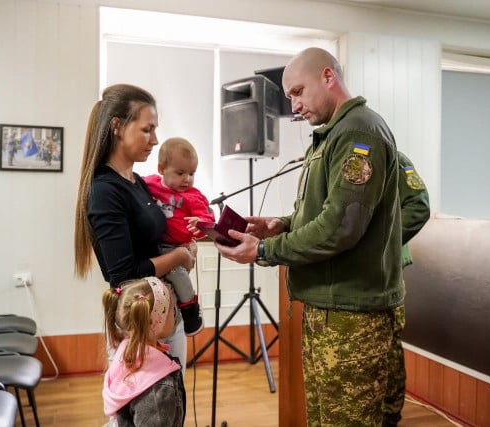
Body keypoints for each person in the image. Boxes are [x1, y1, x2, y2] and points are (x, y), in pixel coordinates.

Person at [212, 47, 403, 426]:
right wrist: (281, 224)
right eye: (289, 98)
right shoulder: (333, 134)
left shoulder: (358, 133)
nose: (294, 107)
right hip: (330, 307)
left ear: (328, 77)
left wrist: (266, 248)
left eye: (298, 92)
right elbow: (322, 212)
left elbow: (339, 228)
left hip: (352, 315)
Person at [74, 83, 196, 374]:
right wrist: (178, 257)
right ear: (117, 126)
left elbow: (153, 242)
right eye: (147, 129)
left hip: (165, 311)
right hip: (138, 322)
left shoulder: (137, 182)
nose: (154, 140)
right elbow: (124, 274)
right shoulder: (105, 190)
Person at [144, 137, 215, 337]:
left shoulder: (193, 196)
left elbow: (207, 221)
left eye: (192, 174)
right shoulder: (150, 184)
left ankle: (190, 307)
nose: (187, 179)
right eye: (180, 173)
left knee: (176, 274)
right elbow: (134, 187)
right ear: (161, 168)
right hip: (155, 245)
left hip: (176, 247)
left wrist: (198, 226)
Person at [383, 150, 430, 426]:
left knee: (389, 346)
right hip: (362, 273)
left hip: (386, 267)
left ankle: (390, 415)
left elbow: (418, 207)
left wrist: (380, 243)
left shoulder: (390, 156)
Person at [102, 277, 185, 427]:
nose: (175, 314)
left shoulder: (126, 353)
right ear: (156, 322)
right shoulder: (158, 390)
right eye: (172, 309)